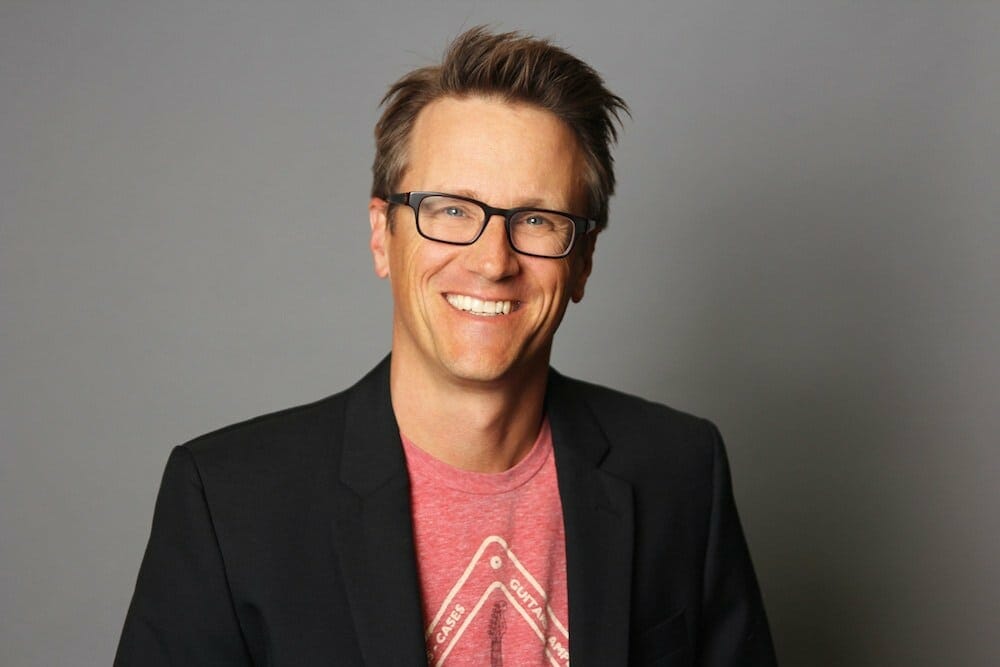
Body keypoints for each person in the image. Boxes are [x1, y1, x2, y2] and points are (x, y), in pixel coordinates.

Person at [115, 27, 777, 666]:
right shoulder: (228, 501)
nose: (492, 261)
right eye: (452, 210)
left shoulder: (681, 473)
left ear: (583, 261)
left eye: (537, 219)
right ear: (382, 235)